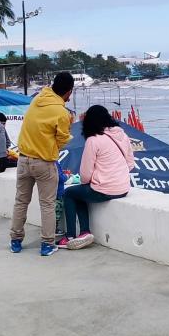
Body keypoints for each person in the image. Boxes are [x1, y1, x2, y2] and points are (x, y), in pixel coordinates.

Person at [10, 72, 74, 256]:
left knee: (21, 201)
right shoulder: (61, 112)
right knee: (47, 204)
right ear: (69, 91)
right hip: (44, 163)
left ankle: (15, 240)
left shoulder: (37, 99)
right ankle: (47, 244)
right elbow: (62, 140)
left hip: (23, 159)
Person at [57, 105, 134, 250]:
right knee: (78, 193)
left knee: (69, 193)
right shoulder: (122, 134)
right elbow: (130, 163)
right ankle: (84, 232)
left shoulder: (93, 140)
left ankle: (71, 235)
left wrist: (99, 178)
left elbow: (85, 176)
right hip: (124, 187)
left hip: (104, 189)